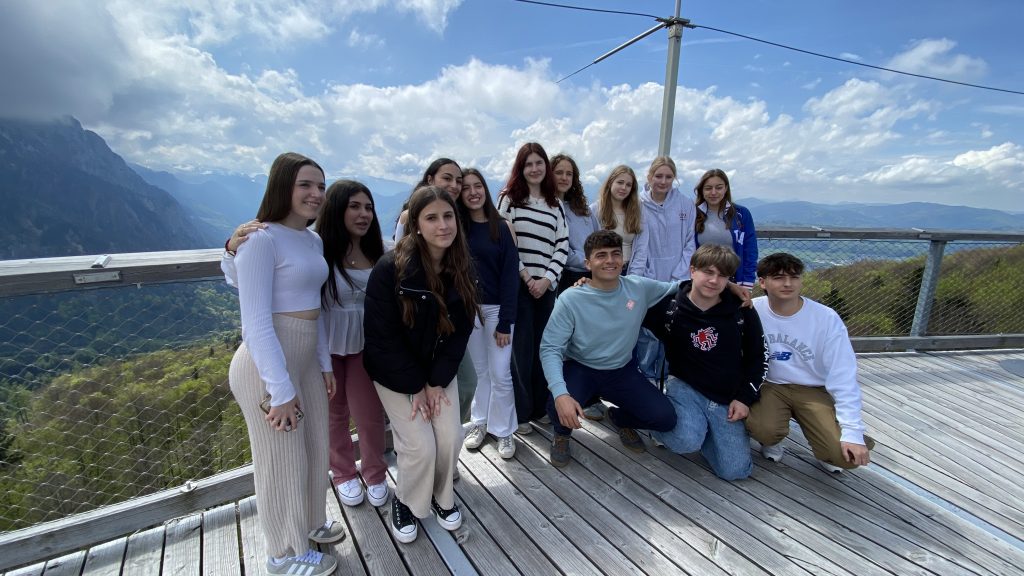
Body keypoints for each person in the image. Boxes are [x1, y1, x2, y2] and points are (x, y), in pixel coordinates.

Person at [224, 181, 391, 509]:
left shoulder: (380, 250)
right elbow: (240, 279)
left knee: (369, 412)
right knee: (333, 412)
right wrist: (231, 249)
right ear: (337, 209)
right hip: (323, 342)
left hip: (365, 343)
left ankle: (375, 473)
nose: (363, 214)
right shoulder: (317, 248)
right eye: (354, 206)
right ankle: (343, 473)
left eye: (368, 207)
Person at [226, 152, 343, 576]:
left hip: (304, 358)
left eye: (320, 186)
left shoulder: (312, 240)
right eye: (305, 185)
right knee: (280, 460)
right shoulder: (261, 240)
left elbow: (316, 308)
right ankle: (282, 553)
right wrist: (279, 391)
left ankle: (309, 523)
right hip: (267, 365)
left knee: (313, 446)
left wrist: (324, 364)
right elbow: (256, 323)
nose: (316, 194)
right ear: (282, 187)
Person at [363, 186, 481, 543]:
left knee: (450, 437)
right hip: (394, 373)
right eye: (431, 218)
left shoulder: (462, 267)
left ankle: (441, 497)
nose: (443, 225)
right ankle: (406, 500)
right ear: (415, 224)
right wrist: (416, 386)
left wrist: (434, 382)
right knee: (420, 445)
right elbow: (383, 338)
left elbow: (459, 335)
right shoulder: (390, 270)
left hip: (435, 373)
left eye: (448, 216)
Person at [541, 230, 678, 467]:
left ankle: (620, 418)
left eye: (616, 254)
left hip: (621, 370)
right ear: (588, 263)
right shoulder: (571, 298)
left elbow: (680, 286)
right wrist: (561, 394)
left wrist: (728, 286)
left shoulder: (638, 287)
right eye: (601, 255)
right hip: (581, 368)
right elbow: (550, 348)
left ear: (623, 259)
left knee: (665, 418)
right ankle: (562, 435)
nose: (610, 260)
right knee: (557, 405)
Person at [648, 244, 768, 481]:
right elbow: (624, 303)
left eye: (723, 275)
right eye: (708, 272)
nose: (714, 280)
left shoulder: (741, 310)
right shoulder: (669, 307)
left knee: (736, 471)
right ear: (692, 270)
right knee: (684, 441)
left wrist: (744, 398)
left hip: (727, 396)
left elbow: (759, 358)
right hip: (684, 386)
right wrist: (587, 284)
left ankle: (707, 435)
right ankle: (662, 430)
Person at [746, 252, 875, 473]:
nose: (788, 283)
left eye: (794, 277)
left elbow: (843, 375)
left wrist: (852, 432)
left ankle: (830, 443)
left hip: (813, 388)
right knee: (764, 429)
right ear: (762, 282)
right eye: (778, 277)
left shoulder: (825, 318)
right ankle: (771, 440)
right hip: (770, 385)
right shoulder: (752, 310)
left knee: (844, 458)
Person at [393, 158, 477, 423]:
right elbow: (399, 267)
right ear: (430, 180)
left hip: (449, 318)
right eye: (447, 178)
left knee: (467, 383)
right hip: (419, 320)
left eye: (458, 180)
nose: (454, 185)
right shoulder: (409, 217)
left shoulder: (459, 215)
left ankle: (451, 433)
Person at [497, 142, 569, 434]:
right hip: (519, 286)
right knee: (521, 352)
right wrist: (527, 278)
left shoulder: (555, 204)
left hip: (547, 288)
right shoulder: (509, 200)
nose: (535, 168)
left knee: (544, 348)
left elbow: (562, 244)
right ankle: (522, 412)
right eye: (529, 164)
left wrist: (547, 279)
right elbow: (504, 242)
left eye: (539, 163)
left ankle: (541, 407)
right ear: (521, 168)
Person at [459, 169, 520, 459]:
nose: (473, 192)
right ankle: (480, 422)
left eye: (478, 186)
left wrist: (506, 321)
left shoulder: (501, 227)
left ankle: (504, 430)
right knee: (480, 371)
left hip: (497, 311)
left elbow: (510, 276)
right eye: (466, 188)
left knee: (500, 373)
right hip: (469, 309)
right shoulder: (458, 227)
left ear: (485, 189)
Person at [630, 156, 696, 380]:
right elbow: (639, 244)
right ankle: (646, 376)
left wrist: (680, 275)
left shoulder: (685, 204)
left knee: (674, 327)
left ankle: (667, 378)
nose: (663, 181)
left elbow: (690, 242)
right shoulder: (638, 204)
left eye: (668, 177)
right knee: (647, 330)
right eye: (658, 176)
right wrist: (641, 277)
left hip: (678, 279)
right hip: (648, 278)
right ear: (649, 177)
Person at [694, 169, 758, 296]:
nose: (713, 192)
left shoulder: (741, 214)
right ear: (702, 190)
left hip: (733, 280)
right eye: (708, 188)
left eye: (718, 187)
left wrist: (747, 285)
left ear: (726, 188)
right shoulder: (693, 213)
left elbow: (750, 251)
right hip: (702, 281)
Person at [551, 153, 599, 295]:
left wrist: (596, 260)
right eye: (559, 173)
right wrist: (587, 261)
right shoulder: (547, 210)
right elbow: (559, 250)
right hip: (567, 277)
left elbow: (599, 238)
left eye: (569, 174)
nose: (564, 177)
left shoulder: (584, 210)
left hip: (593, 274)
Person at [592, 164, 648, 276]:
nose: (624, 188)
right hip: (604, 272)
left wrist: (634, 276)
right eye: (620, 182)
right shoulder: (595, 210)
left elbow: (642, 247)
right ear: (610, 183)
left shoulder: (638, 209)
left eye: (628, 185)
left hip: (628, 270)